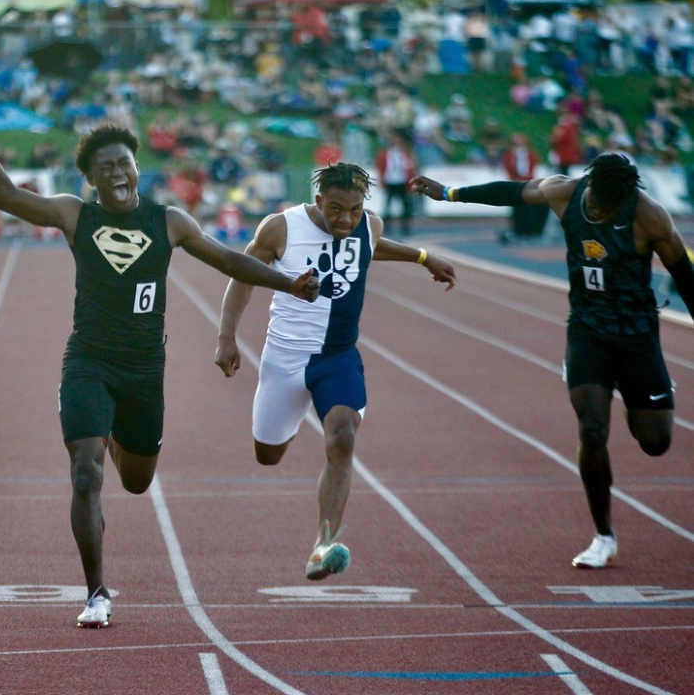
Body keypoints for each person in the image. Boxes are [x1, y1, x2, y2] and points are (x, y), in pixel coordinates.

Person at [0, 101, 322, 628]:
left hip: (145, 372)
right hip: (88, 362)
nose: (118, 173)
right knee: (86, 474)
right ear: (89, 179)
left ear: (137, 166)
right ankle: (96, 593)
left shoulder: (168, 221)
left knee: (136, 483)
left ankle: (112, 434)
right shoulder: (74, 214)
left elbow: (226, 258)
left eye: (125, 163)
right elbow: (4, 195)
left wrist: (288, 283)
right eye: (105, 168)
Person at [409, 153, 694, 568]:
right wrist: (450, 193)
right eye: (593, 201)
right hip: (587, 330)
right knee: (592, 429)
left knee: (655, 442)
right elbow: (512, 192)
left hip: (637, 336)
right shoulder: (566, 192)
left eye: (605, 208)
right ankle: (603, 535)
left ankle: (649, 393)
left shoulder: (650, 218)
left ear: (625, 199)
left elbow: (684, 277)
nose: (594, 210)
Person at [215, 163, 455, 581]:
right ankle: (285, 430)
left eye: (355, 210)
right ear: (319, 200)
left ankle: (323, 544)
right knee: (267, 455)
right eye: (337, 209)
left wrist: (422, 257)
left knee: (342, 435)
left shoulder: (367, 225)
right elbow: (242, 274)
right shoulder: (280, 228)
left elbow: (371, 243)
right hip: (285, 359)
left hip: (338, 356)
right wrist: (226, 336)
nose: (346, 219)